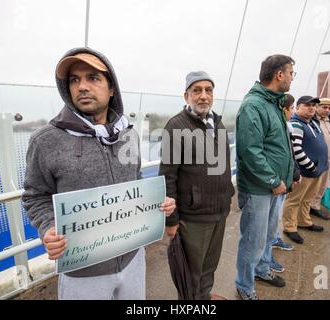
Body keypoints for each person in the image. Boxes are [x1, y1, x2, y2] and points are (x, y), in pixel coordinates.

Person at [22, 47, 175, 300]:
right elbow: (35, 196)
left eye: (93, 78)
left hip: (133, 258)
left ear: (111, 88)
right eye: (74, 80)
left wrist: (155, 204)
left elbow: (134, 181)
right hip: (82, 272)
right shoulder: (45, 141)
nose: (82, 86)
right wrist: (48, 227)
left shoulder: (129, 135)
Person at [159, 71, 235, 300]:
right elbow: (167, 176)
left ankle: (204, 296)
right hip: (193, 217)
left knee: (209, 267)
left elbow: (224, 165)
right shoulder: (176, 126)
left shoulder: (218, 124)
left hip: (218, 212)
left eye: (208, 90)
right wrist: (171, 220)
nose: (203, 96)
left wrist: (228, 195)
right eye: (197, 90)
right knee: (191, 272)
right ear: (186, 96)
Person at [235, 55, 295, 300]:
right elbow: (250, 150)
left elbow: (277, 145)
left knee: (267, 235)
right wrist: (273, 180)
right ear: (279, 74)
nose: (292, 77)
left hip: (274, 187)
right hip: (260, 188)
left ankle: (261, 270)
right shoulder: (254, 105)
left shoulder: (273, 104)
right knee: (253, 239)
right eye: (291, 72)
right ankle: (244, 285)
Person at [282, 96, 328, 244]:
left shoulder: (312, 122)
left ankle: (304, 221)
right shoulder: (296, 124)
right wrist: (311, 166)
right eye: (307, 105)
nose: (311, 108)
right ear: (298, 107)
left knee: (307, 198)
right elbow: (296, 150)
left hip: (317, 171)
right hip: (305, 172)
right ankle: (289, 227)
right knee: (294, 200)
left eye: (314, 106)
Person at [269, 94, 301, 274]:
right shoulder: (279, 127)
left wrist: (294, 174)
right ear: (285, 109)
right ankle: (265, 258)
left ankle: (273, 241)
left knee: (275, 216)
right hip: (274, 181)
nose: (293, 111)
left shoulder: (286, 127)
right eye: (292, 108)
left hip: (282, 179)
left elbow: (290, 154)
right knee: (271, 220)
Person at [309, 98, 330, 220]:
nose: (327, 110)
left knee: (324, 184)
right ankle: (310, 207)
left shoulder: (329, 121)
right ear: (317, 107)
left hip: (328, 160)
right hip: (317, 160)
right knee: (314, 185)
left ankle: (315, 205)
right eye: (324, 107)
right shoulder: (312, 121)